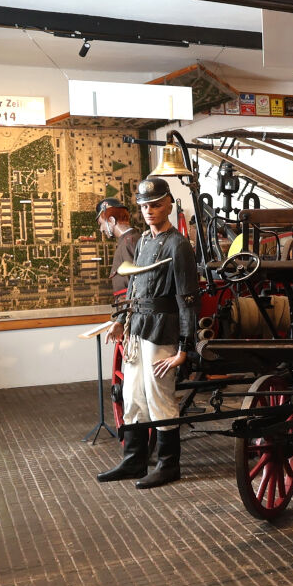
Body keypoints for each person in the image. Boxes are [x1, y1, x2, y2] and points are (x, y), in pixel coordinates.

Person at [95, 177, 200, 489]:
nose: (149, 211)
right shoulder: (142, 242)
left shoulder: (178, 245)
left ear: (168, 205)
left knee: (159, 397)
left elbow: (188, 300)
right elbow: (134, 288)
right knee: (132, 396)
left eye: (155, 205)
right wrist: (120, 320)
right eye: (144, 207)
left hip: (163, 330)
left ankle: (169, 465)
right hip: (138, 327)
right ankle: (134, 460)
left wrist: (184, 349)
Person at [97, 197, 138, 423]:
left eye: (102, 224)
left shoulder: (130, 242)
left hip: (135, 317)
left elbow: (134, 285)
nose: (102, 230)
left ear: (111, 220)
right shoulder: (128, 241)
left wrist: (121, 319)